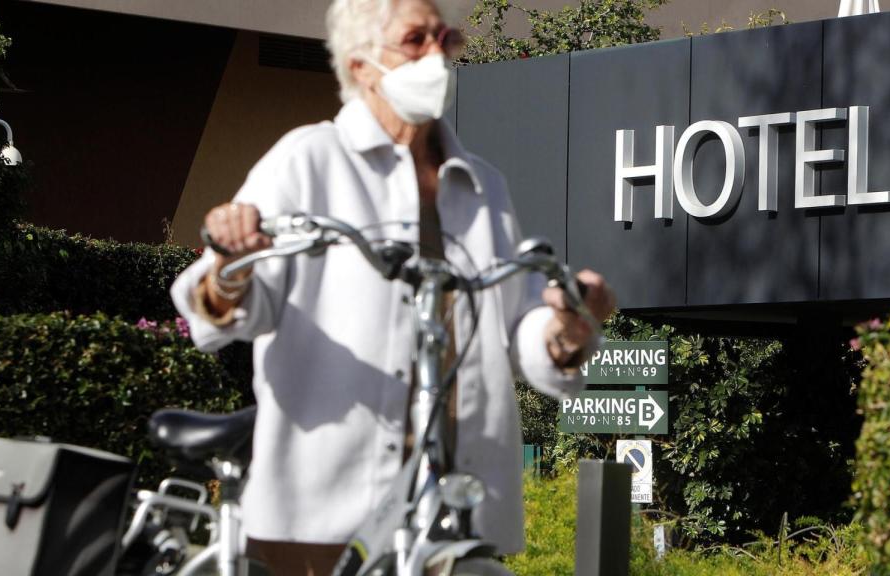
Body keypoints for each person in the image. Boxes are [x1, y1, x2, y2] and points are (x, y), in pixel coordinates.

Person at [171, 0, 616, 573]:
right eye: (415, 40)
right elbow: (221, 306)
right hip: (324, 509)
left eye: (445, 38)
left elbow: (519, 327)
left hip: (455, 498)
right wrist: (234, 262)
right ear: (360, 64)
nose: (437, 56)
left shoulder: (485, 186)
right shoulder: (309, 161)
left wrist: (566, 327)